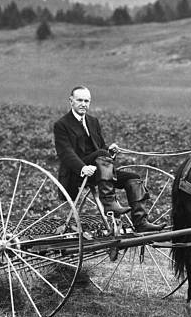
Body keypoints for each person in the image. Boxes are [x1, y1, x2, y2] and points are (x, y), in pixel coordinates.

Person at [53, 85, 165, 232]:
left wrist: (109, 151)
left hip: (100, 171)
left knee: (133, 178)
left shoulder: (93, 121)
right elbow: (66, 153)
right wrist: (83, 168)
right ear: (71, 101)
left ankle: (141, 222)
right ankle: (110, 204)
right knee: (101, 154)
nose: (83, 104)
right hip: (77, 172)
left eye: (87, 101)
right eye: (79, 100)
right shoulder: (62, 125)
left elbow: (100, 148)